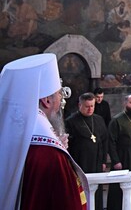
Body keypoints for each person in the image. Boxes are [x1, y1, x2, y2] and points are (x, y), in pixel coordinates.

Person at [0, 53, 89, 210]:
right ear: (47, 101)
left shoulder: (10, 137)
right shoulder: (50, 154)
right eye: (59, 94)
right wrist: (56, 150)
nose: (61, 100)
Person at [65, 92, 108, 210]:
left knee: (97, 192)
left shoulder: (99, 120)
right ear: (80, 105)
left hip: (97, 161)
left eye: (92, 106)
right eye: (87, 106)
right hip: (80, 161)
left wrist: (104, 160)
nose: (90, 109)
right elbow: (68, 145)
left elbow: (104, 141)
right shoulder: (71, 121)